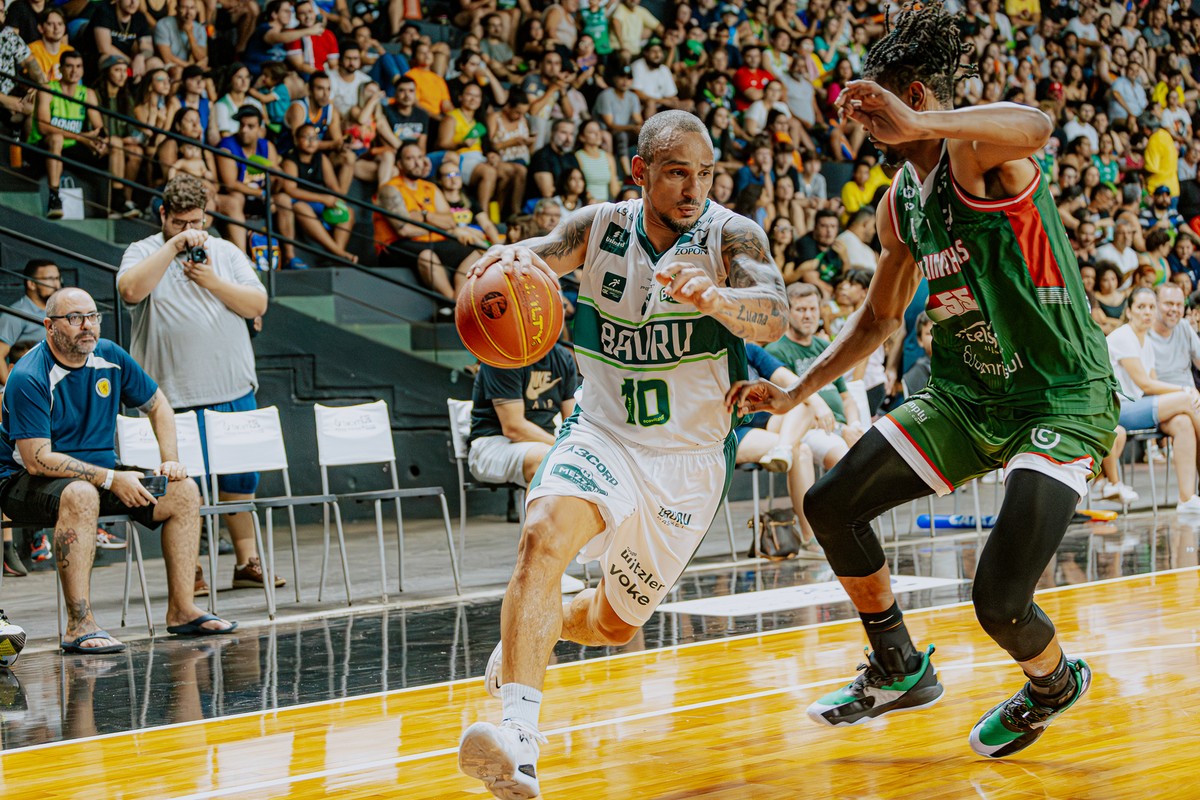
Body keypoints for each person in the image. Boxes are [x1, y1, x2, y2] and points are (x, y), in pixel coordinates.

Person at [727, 5, 1118, 759]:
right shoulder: (899, 205)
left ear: (925, 99)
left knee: (1000, 605)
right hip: (968, 398)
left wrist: (922, 117)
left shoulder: (977, 154)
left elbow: (1037, 125)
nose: (875, 113)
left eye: (893, 96)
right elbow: (875, 324)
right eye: (874, 99)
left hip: (1061, 397)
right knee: (830, 504)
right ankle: (897, 664)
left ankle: (1052, 683)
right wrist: (791, 393)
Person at [457, 109, 787, 799]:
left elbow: (774, 310)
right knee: (542, 538)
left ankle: (537, 631)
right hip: (602, 432)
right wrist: (509, 261)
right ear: (641, 173)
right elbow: (540, 253)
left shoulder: (731, 235)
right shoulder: (601, 225)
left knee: (612, 624)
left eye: (703, 174)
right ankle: (518, 736)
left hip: (690, 460)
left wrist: (720, 301)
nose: (692, 189)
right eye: (676, 174)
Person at [0, 287, 238, 652]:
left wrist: (170, 458)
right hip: (23, 483)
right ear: (49, 326)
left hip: (99, 474)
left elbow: (158, 405)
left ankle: (183, 609)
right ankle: (80, 625)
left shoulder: (110, 356)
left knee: (183, 491)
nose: (87, 326)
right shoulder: (29, 375)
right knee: (79, 493)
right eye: (75, 318)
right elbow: (38, 459)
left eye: (93, 317)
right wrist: (112, 479)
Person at [117, 175, 280, 592]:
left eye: (197, 221)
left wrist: (213, 282)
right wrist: (171, 247)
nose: (190, 230)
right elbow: (130, 291)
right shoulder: (144, 250)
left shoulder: (224, 251)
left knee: (239, 482)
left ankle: (247, 563)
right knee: (181, 486)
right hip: (172, 395)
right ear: (163, 216)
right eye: (180, 223)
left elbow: (257, 303)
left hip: (231, 387)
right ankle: (188, 570)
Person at [1107, 286, 1200, 513]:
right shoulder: (1124, 336)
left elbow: (1154, 384)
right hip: (1116, 409)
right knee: (1188, 401)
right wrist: (1185, 391)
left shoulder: (1144, 340)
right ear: (1129, 311)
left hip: (1137, 407)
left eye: (1150, 307)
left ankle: (1187, 499)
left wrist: (1177, 402)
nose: (1147, 312)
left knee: (1183, 422)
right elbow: (1145, 385)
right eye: (1141, 307)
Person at [765, 282, 861, 467]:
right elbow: (793, 410)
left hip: (843, 428)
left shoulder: (825, 347)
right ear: (787, 312)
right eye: (801, 310)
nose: (808, 315)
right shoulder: (776, 351)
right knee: (845, 460)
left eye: (812, 309)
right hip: (809, 429)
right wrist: (842, 430)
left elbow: (846, 398)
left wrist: (855, 426)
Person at [29, 50, 107, 220]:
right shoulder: (48, 89)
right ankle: (54, 198)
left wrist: (100, 142)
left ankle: (114, 205)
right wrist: (82, 137)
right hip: (41, 147)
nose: (74, 71)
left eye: (78, 67)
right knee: (56, 138)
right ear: (61, 69)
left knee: (113, 146)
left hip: (71, 147)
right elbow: (43, 127)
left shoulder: (87, 93)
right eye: (69, 66)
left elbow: (99, 128)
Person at [281, 123, 359, 263]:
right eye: (306, 137)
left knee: (349, 212)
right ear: (296, 140)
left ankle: (336, 254)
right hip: (302, 200)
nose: (311, 142)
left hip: (320, 203)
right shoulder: (290, 160)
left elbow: (333, 186)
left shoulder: (321, 158)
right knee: (301, 208)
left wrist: (337, 200)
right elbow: (290, 189)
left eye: (314, 138)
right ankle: (339, 253)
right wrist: (323, 199)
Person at [0, 259, 60, 386]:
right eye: (49, 279)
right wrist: (10, 388)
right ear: (31, 284)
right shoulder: (16, 313)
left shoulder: (59, 310)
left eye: (57, 278)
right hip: (31, 384)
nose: (56, 284)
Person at [153, 0, 208, 75]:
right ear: (176, 9)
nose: (188, 12)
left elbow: (201, 57)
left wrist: (190, 34)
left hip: (193, 68)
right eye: (184, 7)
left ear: (196, 10)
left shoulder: (200, 29)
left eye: (192, 8)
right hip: (169, 66)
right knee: (178, 71)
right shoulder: (163, 25)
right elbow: (167, 57)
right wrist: (192, 67)